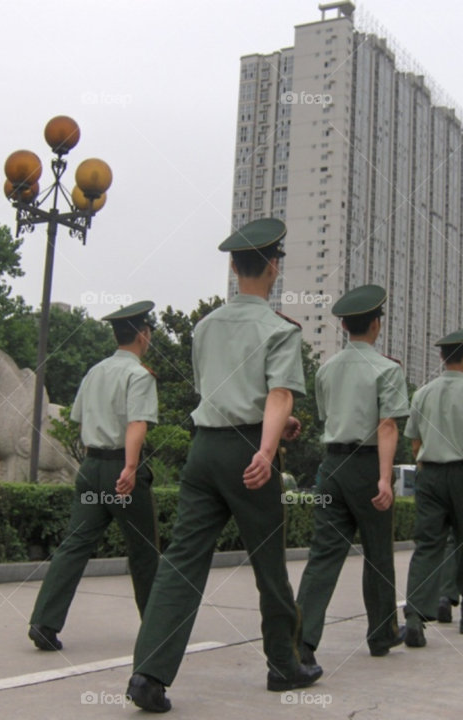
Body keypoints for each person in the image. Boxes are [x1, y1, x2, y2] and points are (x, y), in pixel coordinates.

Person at [127, 218, 320, 713]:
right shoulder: (279, 329)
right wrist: (265, 446)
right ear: (274, 267)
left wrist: (276, 427)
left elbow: (215, 392)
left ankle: (148, 672)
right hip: (248, 455)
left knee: (182, 562)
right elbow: (277, 393)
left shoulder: (204, 326)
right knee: (269, 565)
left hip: (204, 451)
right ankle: (284, 666)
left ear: (234, 267)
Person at [28, 301, 160, 652]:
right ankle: (156, 628)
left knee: (74, 544)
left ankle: (44, 622)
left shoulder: (94, 372)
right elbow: (137, 422)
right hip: (121, 470)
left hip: (90, 469)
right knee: (144, 551)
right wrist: (131, 467)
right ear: (143, 336)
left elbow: (81, 420)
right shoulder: (139, 375)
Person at [296, 284, 409, 665]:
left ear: (345, 326)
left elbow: (328, 418)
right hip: (367, 464)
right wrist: (384, 478)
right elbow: (388, 426)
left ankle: (301, 641)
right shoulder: (388, 370)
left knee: (323, 555)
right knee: (378, 553)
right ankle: (382, 634)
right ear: (377, 325)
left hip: (332, 465)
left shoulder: (326, 370)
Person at [402, 327, 463, 646]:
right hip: (462, 475)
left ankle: (414, 615)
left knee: (427, 543)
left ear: (442, 358)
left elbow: (415, 441)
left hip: (428, 474)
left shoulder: (422, 393)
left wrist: (427, 466)